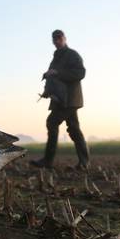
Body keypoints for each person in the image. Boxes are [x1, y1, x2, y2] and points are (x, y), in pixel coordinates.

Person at [30, 30, 90, 170]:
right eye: (54, 39)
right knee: (74, 129)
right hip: (60, 100)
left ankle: (48, 161)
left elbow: (81, 73)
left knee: (52, 122)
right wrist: (46, 91)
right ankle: (84, 163)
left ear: (64, 38)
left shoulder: (72, 55)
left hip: (69, 99)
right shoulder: (56, 58)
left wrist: (58, 73)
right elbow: (53, 79)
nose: (57, 41)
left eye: (59, 38)